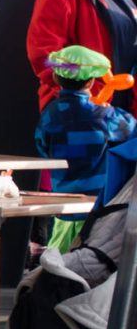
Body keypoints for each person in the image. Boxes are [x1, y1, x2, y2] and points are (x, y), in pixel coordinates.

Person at [36, 45, 136, 252]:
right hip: (97, 205)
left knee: (56, 260)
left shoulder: (50, 114)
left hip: (63, 203)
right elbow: (132, 130)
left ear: (56, 78)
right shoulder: (105, 116)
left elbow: (42, 147)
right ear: (91, 81)